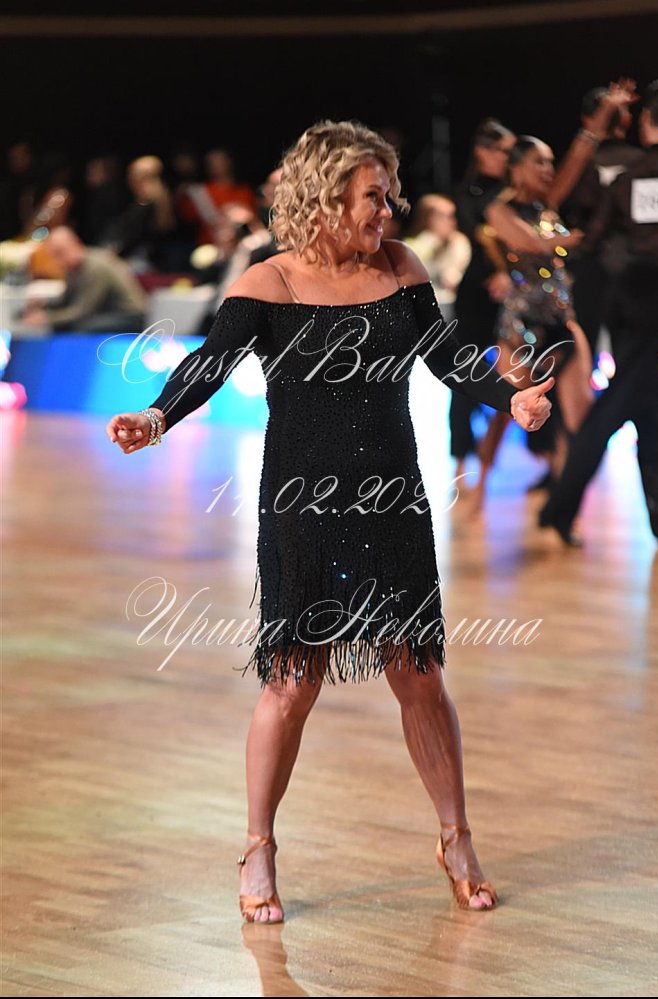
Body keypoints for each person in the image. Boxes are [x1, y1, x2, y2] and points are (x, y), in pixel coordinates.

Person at [106, 120, 554, 922]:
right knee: (292, 681)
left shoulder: (401, 268)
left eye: (390, 195)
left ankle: (456, 838)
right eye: (373, 197)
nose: (388, 210)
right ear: (325, 197)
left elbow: (449, 358)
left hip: (393, 501)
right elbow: (209, 363)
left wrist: (510, 396)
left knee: (419, 674)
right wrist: (157, 415)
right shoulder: (270, 281)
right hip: (302, 507)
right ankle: (258, 847)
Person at [469, 80, 637, 511]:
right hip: (521, 329)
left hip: (562, 319)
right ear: (517, 167)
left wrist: (605, 113)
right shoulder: (498, 209)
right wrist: (572, 239)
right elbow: (529, 243)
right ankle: (480, 488)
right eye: (539, 162)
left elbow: (578, 157)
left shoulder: (549, 205)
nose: (548, 169)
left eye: (549, 162)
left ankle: (563, 509)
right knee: (506, 413)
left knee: (579, 419)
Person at [539, 78, 658, 545]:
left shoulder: (631, 176)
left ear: (647, 121)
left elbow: (594, 237)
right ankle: (561, 504)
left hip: (628, 292)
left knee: (649, 398)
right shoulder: (630, 167)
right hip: (655, 294)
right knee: (622, 399)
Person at [450, 119, 516, 484]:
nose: (509, 159)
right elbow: (478, 235)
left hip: (516, 293)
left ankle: (543, 452)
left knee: (526, 370)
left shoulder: (515, 191)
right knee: (466, 371)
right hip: (478, 291)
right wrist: (499, 272)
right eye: (504, 152)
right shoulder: (468, 192)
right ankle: (461, 455)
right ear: (482, 152)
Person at [562, 87, 642, 356]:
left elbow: (556, 201)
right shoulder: (644, 163)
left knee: (581, 350)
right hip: (637, 263)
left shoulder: (574, 167)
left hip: (589, 263)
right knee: (635, 354)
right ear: (626, 120)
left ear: (587, 119)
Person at [21, 226, 147, 333]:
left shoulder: (95, 267)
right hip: (104, 313)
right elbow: (67, 300)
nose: (58, 260)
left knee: (79, 327)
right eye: (54, 255)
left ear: (76, 243)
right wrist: (45, 304)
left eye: (60, 252)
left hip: (129, 316)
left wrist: (47, 318)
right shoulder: (73, 268)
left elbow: (83, 311)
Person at [403, 194, 471, 321]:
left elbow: (451, 281)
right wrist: (431, 240)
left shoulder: (458, 243)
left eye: (453, 216)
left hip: (448, 307)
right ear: (430, 219)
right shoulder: (411, 245)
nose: (453, 222)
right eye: (447, 217)